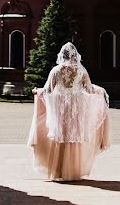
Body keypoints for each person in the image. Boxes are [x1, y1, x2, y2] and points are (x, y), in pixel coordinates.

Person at [27, 42, 110, 181]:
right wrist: (100, 90)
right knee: (74, 136)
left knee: (61, 136)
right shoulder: (81, 71)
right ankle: (72, 171)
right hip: (76, 110)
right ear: (74, 56)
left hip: (61, 109)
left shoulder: (56, 71)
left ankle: (59, 171)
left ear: (62, 55)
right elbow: (89, 89)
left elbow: (48, 91)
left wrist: (37, 91)